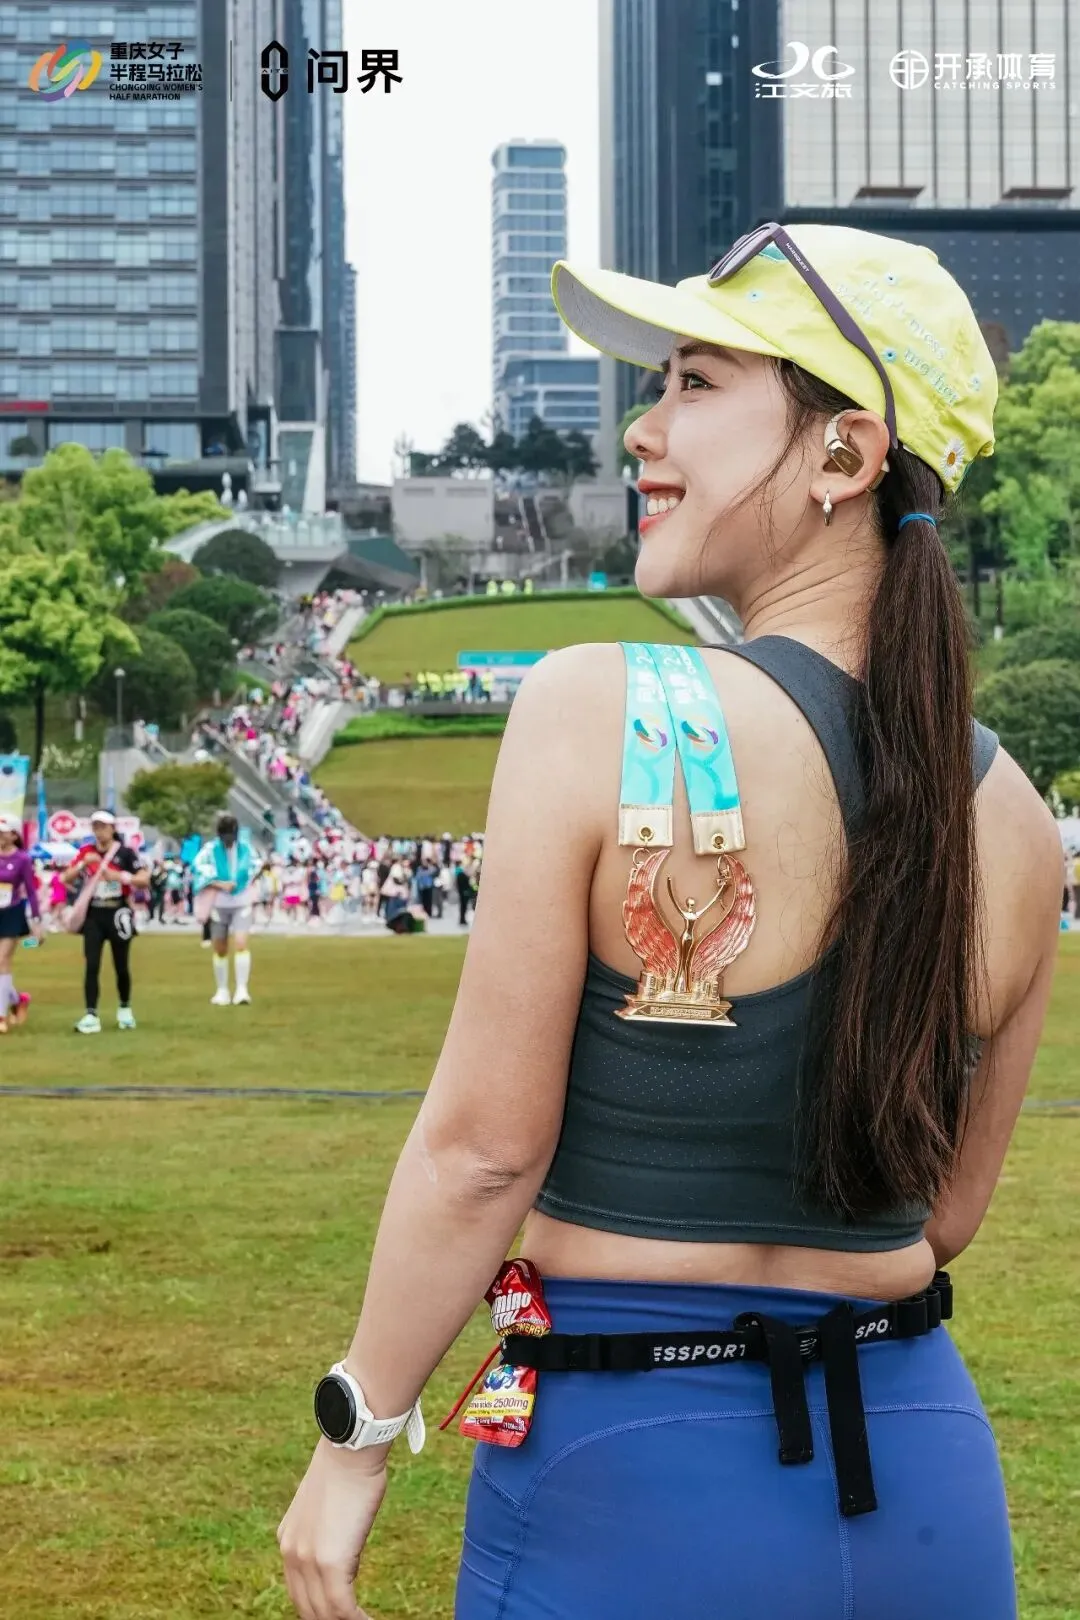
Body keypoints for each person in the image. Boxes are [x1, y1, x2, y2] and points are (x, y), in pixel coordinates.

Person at [277, 225, 1064, 1619]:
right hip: (922, 1473)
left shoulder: (608, 706)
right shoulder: (1011, 814)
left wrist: (360, 1430)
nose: (644, 429)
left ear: (844, 455)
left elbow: (481, 1154)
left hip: (631, 1471)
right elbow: (943, 1214)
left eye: (697, 383)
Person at [62, 811, 149, 1033]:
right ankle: (91, 1014)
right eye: (96, 827)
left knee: (121, 965)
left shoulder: (125, 853)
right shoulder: (86, 852)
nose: (99, 831)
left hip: (118, 911)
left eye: (103, 827)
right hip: (94, 913)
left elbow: (143, 879)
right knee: (91, 965)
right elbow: (65, 878)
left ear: (112, 828)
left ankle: (125, 1008)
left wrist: (119, 876)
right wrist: (82, 865)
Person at [192, 814, 260, 1006]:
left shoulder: (246, 849)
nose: (228, 842)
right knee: (220, 947)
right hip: (218, 904)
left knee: (241, 943)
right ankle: (222, 990)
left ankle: (242, 989)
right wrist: (219, 883)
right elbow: (198, 868)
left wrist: (245, 881)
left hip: (241, 902)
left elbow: (256, 866)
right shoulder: (209, 850)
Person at [0, 814, 42, 1034]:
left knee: (2, 960)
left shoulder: (22, 859)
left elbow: (31, 891)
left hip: (12, 912)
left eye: (3, 832)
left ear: (14, 834)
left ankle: (1, 1016)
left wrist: (36, 920)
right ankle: (18, 1000)